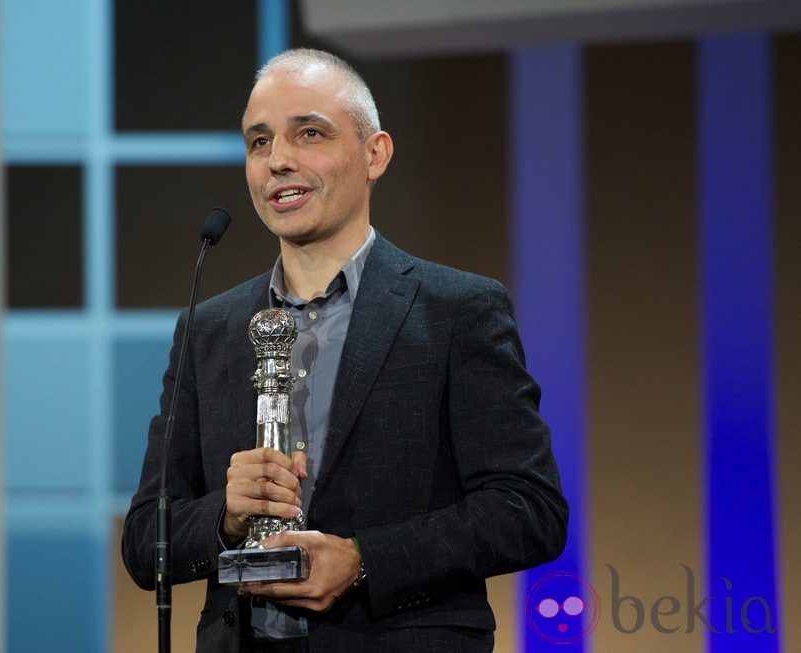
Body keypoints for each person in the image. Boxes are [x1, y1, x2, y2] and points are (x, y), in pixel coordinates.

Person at [122, 48, 568, 653]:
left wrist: (362, 561)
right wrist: (225, 516)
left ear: (374, 154)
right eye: (259, 142)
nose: (278, 160)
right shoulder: (210, 328)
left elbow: (527, 509)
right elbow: (148, 539)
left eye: (309, 133)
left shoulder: (457, 310)